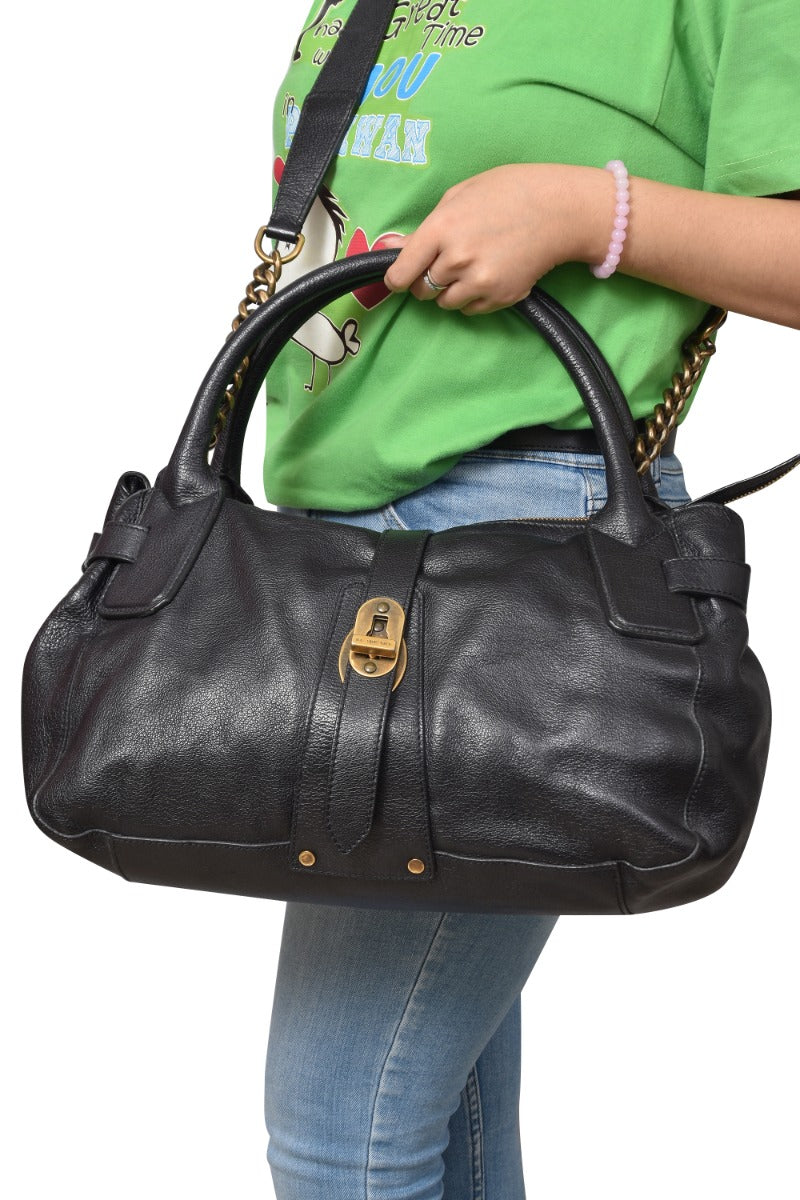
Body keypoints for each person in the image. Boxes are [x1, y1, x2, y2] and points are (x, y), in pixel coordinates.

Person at [261, 2, 800, 1196]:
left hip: (513, 549)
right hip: (336, 551)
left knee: (342, 1131)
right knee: (425, 1110)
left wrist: (584, 213)